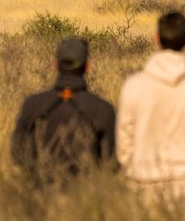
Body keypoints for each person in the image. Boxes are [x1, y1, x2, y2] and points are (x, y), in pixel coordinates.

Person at [117, 11, 185, 201]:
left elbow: (124, 141)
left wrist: (134, 170)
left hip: (143, 183)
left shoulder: (134, 85)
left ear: (156, 39)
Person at [10, 36, 116, 184]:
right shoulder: (103, 109)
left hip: (40, 195)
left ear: (55, 64)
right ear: (88, 66)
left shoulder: (33, 105)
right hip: (87, 196)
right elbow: (112, 162)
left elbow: (18, 153)